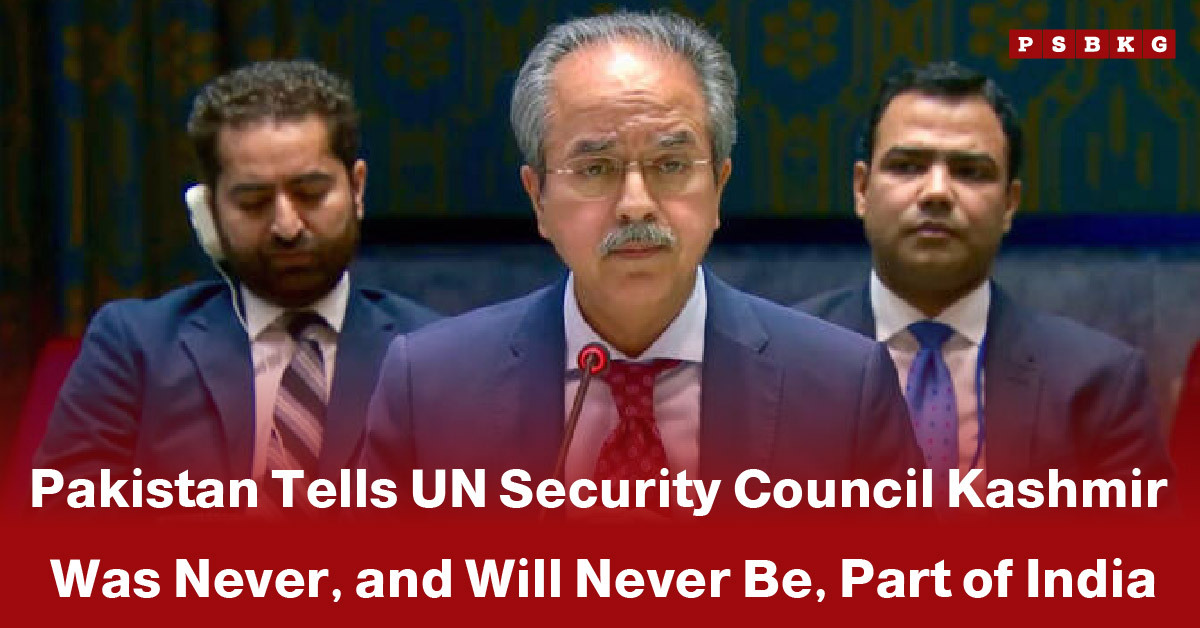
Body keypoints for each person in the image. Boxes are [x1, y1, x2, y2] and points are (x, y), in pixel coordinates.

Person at [363, 11, 921, 517]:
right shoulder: (430, 389)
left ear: (719, 186)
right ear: (538, 198)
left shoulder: (843, 389)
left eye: (671, 164)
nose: (636, 204)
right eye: (596, 169)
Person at [34, 60, 438, 500]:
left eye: (310, 194)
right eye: (252, 202)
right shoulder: (134, 347)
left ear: (357, 189)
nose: (286, 226)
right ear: (210, 211)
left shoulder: (435, 353)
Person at [800, 61, 1173, 496]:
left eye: (970, 171)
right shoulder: (775, 363)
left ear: (1010, 204)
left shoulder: (1100, 386)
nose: (937, 192)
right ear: (862, 190)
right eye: (907, 166)